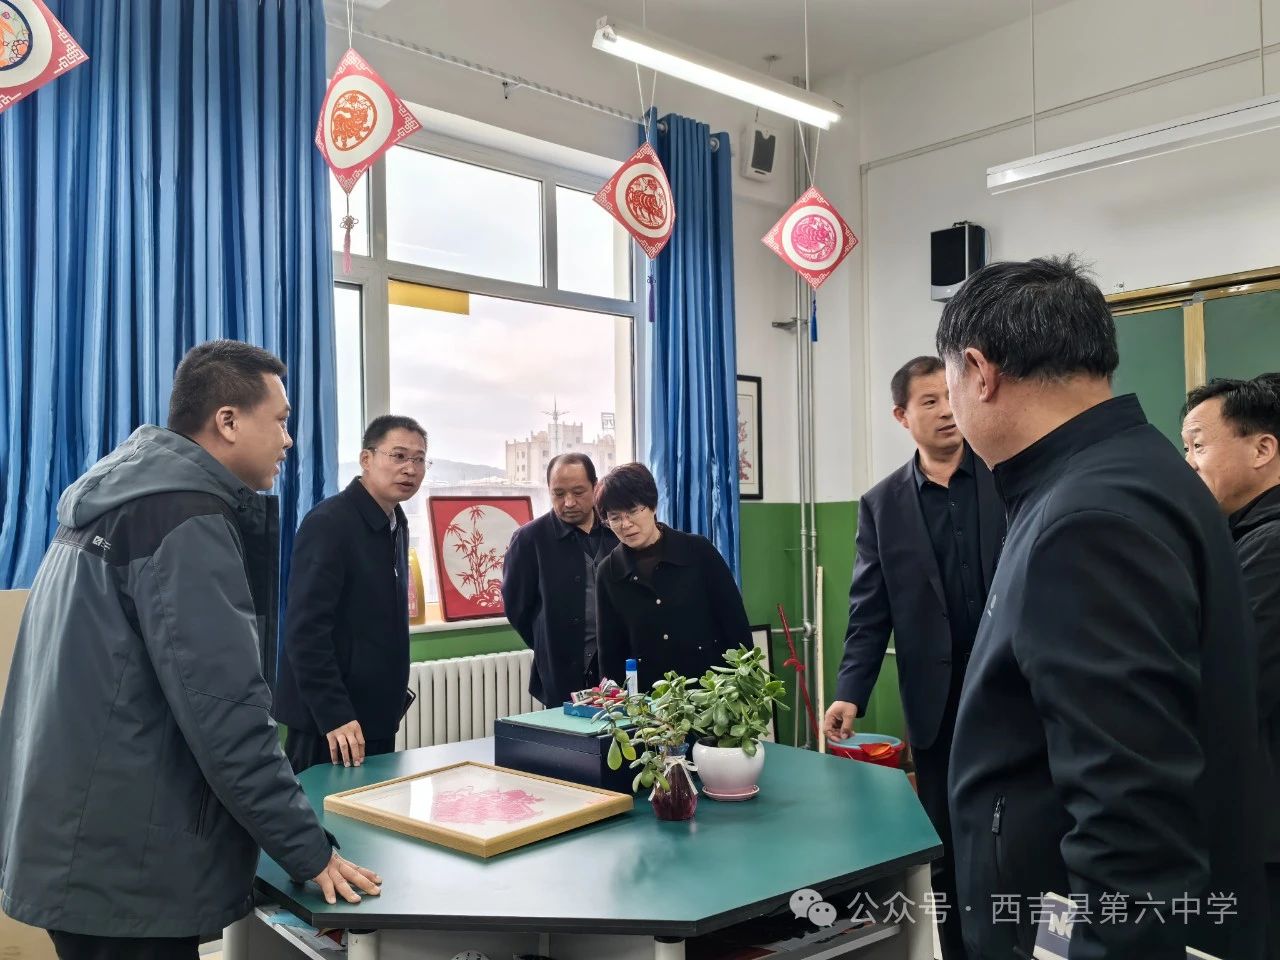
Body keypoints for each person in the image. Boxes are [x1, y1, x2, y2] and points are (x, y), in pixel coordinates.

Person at [0, 341, 380, 960]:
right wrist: (309, 852)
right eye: (280, 420)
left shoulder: (121, 499)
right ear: (227, 421)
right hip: (124, 864)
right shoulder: (182, 518)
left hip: (75, 838)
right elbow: (227, 713)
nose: (289, 440)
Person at [937, 257, 1264, 959]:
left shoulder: (1087, 516)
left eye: (949, 381)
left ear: (980, 371)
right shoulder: (1128, 472)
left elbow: (1131, 818)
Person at [823, 355, 1004, 960]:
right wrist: (850, 692)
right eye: (930, 401)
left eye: (951, 395)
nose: (947, 410)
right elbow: (869, 612)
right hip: (936, 704)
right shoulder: (883, 505)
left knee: (1017, 836)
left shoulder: (1005, 476)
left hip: (1014, 689)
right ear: (902, 416)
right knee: (945, 843)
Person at [1183, 373, 1280, 958]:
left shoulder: (1271, 545)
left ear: (1263, 448)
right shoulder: (1238, 537)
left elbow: (1230, 684)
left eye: (1198, 444)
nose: (1188, 462)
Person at [272, 415, 429, 773]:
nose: (410, 469)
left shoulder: (395, 522)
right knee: (322, 809)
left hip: (375, 715)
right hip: (330, 723)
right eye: (399, 456)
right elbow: (305, 632)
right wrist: (335, 714)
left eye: (419, 459)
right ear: (366, 459)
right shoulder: (330, 523)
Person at [594, 462, 751, 690]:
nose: (625, 524)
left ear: (653, 505)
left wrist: (743, 688)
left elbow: (735, 625)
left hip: (710, 693)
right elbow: (610, 653)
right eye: (615, 517)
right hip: (648, 699)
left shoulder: (698, 551)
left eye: (633, 511)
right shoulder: (609, 572)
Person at [501, 453, 619, 707]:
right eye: (559, 494)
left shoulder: (616, 531)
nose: (569, 502)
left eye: (578, 492)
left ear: (595, 487)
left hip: (616, 667)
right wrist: (548, 644)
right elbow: (517, 609)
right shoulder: (529, 540)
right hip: (561, 669)